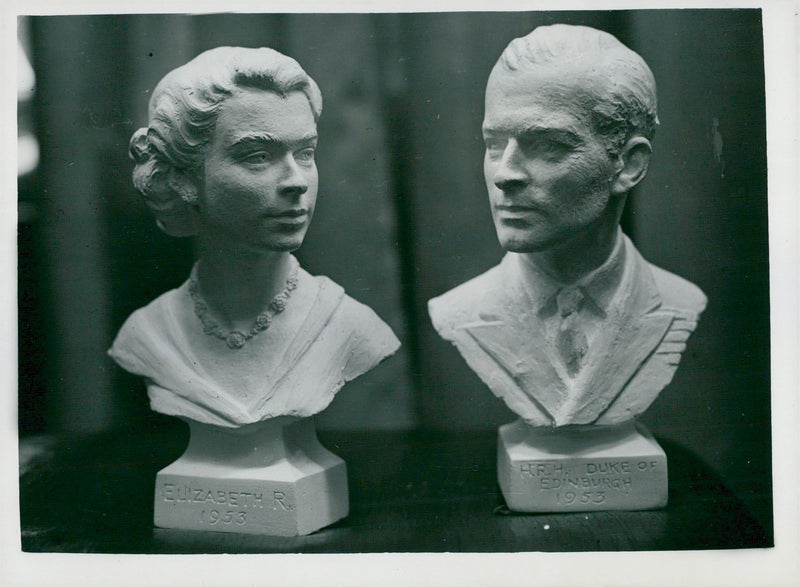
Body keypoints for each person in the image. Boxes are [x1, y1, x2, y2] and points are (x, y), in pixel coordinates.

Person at [428, 24, 707, 427]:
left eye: (547, 145)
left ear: (628, 165)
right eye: (494, 145)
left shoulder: (680, 302)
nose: (504, 174)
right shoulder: (460, 310)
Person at [109, 47, 400, 428]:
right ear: (182, 176)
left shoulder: (350, 327)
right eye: (258, 156)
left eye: (306, 153)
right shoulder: (147, 334)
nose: (296, 181)